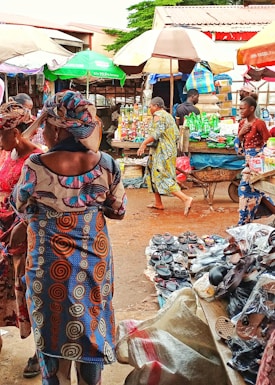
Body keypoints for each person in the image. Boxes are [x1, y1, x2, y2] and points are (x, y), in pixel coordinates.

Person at [12, 90, 127, 385]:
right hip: (92, 266)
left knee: (52, 334)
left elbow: (21, 205)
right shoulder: (106, 165)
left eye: (46, 125)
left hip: (47, 268)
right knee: (89, 328)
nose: (42, 131)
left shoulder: (35, 166)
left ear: (58, 126)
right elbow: (118, 210)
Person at [0, 101, 43, 378]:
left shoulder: (37, 159)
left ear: (16, 132)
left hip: (24, 235)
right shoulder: (9, 153)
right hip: (3, 229)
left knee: (29, 290)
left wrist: (22, 224)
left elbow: (40, 204)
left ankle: (40, 351)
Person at [137, 96, 193, 215]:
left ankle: (185, 199)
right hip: (163, 150)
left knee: (163, 176)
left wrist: (144, 143)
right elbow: (175, 134)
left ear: (156, 106)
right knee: (152, 173)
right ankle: (158, 203)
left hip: (163, 152)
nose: (150, 109)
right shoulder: (168, 116)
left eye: (150, 106)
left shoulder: (159, 115)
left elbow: (157, 133)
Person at [236, 96, 271, 225]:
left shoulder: (259, 123)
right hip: (247, 160)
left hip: (257, 162)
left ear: (252, 109)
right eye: (239, 108)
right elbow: (239, 150)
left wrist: (258, 159)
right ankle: (247, 220)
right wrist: (240, 135)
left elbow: (269, 143)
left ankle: (243, 222)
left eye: (243, 108)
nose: (240, 111)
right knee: (255, 190)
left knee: (244, 188)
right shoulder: (241, 123)